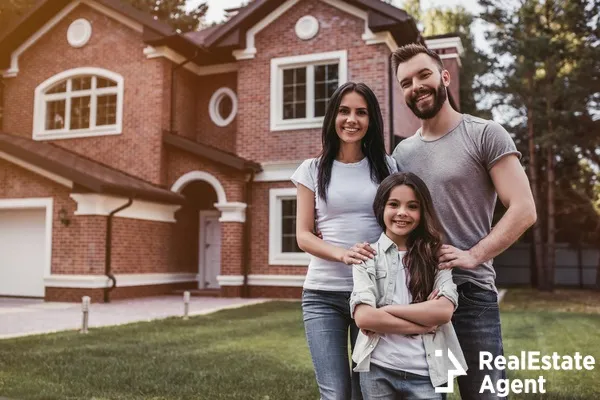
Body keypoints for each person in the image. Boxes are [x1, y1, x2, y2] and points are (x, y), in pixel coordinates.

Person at [387, 44, 537, 399]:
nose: (416, 86)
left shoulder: (485, 134)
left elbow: (524, 208)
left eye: (423, 75)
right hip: (420, 295)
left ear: (444, 76)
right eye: (406, 82)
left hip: (472, 293)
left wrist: (473, 254)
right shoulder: (401, 154)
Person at [291, 81, 397, 400]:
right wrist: (342, 254)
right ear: (333, 117)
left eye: (361, 113)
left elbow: (398, 224)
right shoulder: (311, 170)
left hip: (373, 294)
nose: (352, 119)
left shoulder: (387, 167)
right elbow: (303, 235)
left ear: (371, 120)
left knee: (368, 391)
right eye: (344, 111)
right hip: (323, 295)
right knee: (336, 393)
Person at [351, 172, 467, 400]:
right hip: (378, 369)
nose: (402, 213)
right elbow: (364, 318)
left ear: (422, 212)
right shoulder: (366, 257)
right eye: (394, 204)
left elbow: (443, 311)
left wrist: (384, 311)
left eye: (412, 206)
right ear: (381, 208)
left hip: (428, 373)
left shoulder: (436, 257)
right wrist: (422, 324)